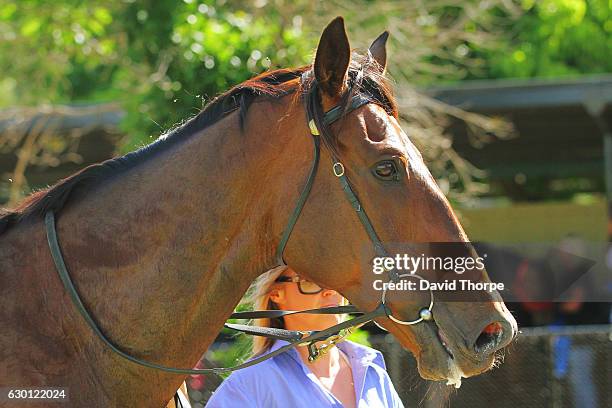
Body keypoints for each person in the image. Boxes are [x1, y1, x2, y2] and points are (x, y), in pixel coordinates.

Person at [206, 266, 404, 408]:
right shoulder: (251, 384)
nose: (330, 291)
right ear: (276, 293)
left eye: (336, 278)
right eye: (310, 281)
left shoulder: (372, 371)